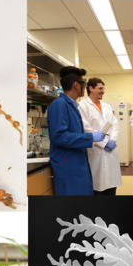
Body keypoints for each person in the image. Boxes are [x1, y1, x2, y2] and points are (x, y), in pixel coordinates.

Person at [47, 67, 106, 195]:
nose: (84, 87)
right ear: (76, 85)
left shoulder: (71, 105)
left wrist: (88, 137)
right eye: (83, 84)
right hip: (68, 168)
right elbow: (60, 136)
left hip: (77, 165)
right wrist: (90, 137)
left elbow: (73, 134)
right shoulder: (59, 105)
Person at [78, 78, 123, 195]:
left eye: (103, 89)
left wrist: (112, 140)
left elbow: (115, 124)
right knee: (98, 186)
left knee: (112, 186)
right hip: (95, 149)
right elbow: (85, 128)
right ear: (91, 88)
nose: (103, 91)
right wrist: (104, 143)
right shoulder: (82, 106)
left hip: (111, 150)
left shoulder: (106, 106)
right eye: (100, 88)